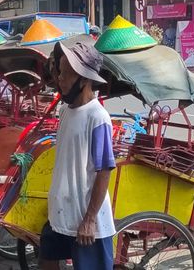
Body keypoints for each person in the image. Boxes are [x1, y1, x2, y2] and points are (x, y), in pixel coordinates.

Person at [40, 41, 115, 270]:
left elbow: (104, 170)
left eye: (65, 74)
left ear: (83, 79)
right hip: (60, 214)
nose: (59, 79)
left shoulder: (98, 117)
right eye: (60, 72)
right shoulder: (65, 111)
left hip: (85, 220)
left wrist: (90, 219)